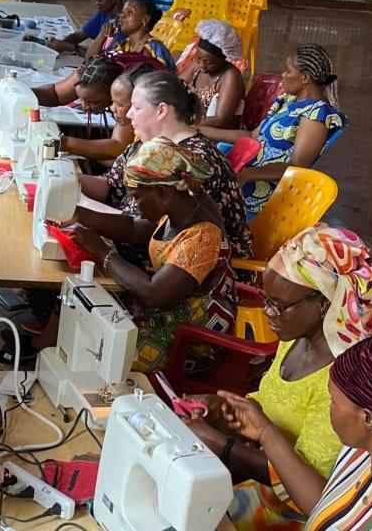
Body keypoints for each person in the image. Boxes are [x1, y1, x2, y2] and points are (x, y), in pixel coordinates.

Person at [185, 223, 372, 529]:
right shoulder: (295, 336)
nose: (268, 313)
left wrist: (225, 447)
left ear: (324, 303)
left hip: (291, 514)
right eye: (267, 300)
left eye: (280, 306)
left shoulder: (344, 382)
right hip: (253, 480)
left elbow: (310, 488)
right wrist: (224, 410)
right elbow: (272, 401)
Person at [218, 330, 372, 530]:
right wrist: (265, 432)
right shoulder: (362, 452)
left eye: (334, 401)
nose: (329, 408)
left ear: (368, 418)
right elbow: (326, 508)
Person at [69, 137, 237, 374]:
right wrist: (80, 214)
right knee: (91, 312)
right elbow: (133, 229)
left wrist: (102, 251)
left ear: (161, 192)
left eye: (137, 197)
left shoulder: (202, 235)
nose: (134, 204)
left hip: (196, 332)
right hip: (172, 304)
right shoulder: (181, 203)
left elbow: (153, 293)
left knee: (112, 355)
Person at [79, 70, 253, 264]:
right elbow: (110, 185)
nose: (128, 114)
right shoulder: (146, 144)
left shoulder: (193, 161)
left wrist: (80, 207)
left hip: (191, 272)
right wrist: (70, 180)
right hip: (141, 257)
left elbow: (143, 231)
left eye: (136, 107)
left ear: (161, 110)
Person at [199, 44, 345, 219]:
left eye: (288, 70)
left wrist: (247, 175)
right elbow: (253, 136)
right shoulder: (288, 100)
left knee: (196, 196)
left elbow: (297, 166)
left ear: (305, 77)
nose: (283, 74)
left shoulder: (316, 115)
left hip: (261, 189)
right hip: (246, 171)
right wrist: (201, 131)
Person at [179, 20, 245, 129]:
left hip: (215, 132)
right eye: (198, 58)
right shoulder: (197, 65)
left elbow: (220, 119)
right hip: (192, 124)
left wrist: (183, 123)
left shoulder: (230, 76)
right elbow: (176, 86)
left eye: (209, 62)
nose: (202, 65)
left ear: (223, 59)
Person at [87, 0, 177, 72]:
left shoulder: (154, 48)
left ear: (145, 20)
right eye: (122, 12)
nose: (121, 15)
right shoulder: (123, 46)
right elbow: (89, 63)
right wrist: (102, 35)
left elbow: (160, 81)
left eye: (129, 12)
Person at [46, 0, 126, 54]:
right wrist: (59, 43)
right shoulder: (104, 12)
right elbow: (78, 36)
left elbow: (106, 57)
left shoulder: (124, 24)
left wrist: (71, 48)